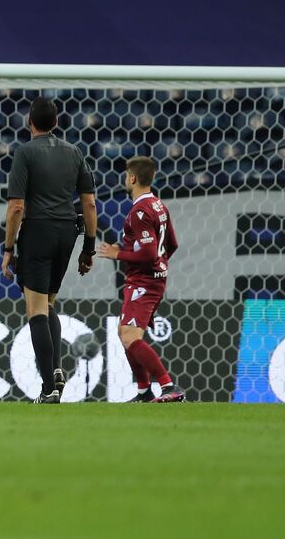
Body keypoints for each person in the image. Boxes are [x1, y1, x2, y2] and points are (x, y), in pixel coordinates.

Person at [1, 97, 97, 404]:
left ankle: (48, 388)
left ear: (29, 122)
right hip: (68, 232)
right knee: (48, 303)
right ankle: (55, 370)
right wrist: (89, 247)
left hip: (38, 231)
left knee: (35, 310)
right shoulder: (75, 152)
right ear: (56, 123)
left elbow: (16, 206)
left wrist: (8, 247)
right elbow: (90, 202)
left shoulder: (25, 153)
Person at [96, 156, 184, 402]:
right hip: (151, 279)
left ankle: (168, 386)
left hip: (143, 281)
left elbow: (147, 252)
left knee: (129, 337)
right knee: (124, 331)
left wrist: (118, 254)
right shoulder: (158, 206)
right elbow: (171, 244)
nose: (125, 180)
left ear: (132, 178)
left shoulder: (140, 211)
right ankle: (144, 391)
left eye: (126, 176)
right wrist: (160, 265)